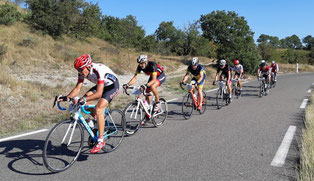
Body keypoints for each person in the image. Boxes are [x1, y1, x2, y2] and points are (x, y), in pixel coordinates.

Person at [57, 54, 119, 153]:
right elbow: (78, 88)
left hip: (111, 86)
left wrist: (83, 99)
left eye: (81, 70)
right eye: (78, 70)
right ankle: (97, 124)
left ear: (89, 66)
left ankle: (101, 140)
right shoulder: (81, 72)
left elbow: (99, 93)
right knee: (83, 104)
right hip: (100, 85)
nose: (80, 72)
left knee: (98, 109)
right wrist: (66, 97)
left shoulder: (98, 71)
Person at [123, 55, 166, 124]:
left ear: (146, 62)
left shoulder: (152, 65)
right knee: (147, 94)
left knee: (152, 87)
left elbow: (154, 79)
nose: (141, 65)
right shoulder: (139, 67)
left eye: (142, 63)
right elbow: (135, 77)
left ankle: (158, 102)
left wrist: (145, 85)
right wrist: (127, 85)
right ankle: (147, 115)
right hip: (153, 76)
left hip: (160, 76)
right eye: (140, 63)